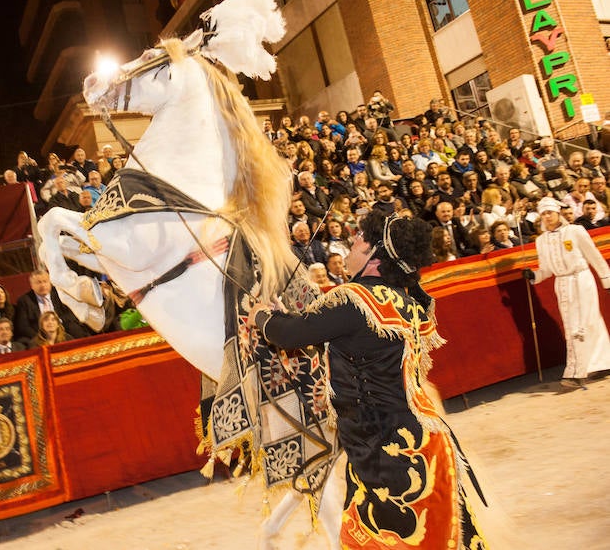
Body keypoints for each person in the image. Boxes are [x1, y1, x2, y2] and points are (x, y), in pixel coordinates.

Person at [247, 211, 486, 549]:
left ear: (376, 256)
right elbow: (346, 339)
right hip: (418, 441)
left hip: (385, 450)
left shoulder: (353, 298)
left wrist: (261, 316)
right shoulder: (407, 302)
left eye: (359, 240)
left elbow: (289, 335)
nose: (352, 244)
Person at [523, 197, 610, 388]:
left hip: (581, 280)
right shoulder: (541, 241)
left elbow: (594, 256)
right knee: (580, 323)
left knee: (580, 324)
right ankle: (603, 362)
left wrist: (607, 279)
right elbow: (546, 269)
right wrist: (534, 275)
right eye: (543, 214)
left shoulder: (575, 231)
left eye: (550, 213)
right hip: (562, 283)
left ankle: (576, 372)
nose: (547, 217)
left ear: (557, 213)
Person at [13, 269, 88, 343]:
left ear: (50, 283)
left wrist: (57, 322)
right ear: (32, 285)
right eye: (38, 282)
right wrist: (40, 337)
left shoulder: (60, 295)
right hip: (38, 333)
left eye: (45, 281)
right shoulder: (24, 300)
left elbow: (72, 314)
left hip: (62, 328)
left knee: (75, 329)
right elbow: (23, 326)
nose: (43, 285)